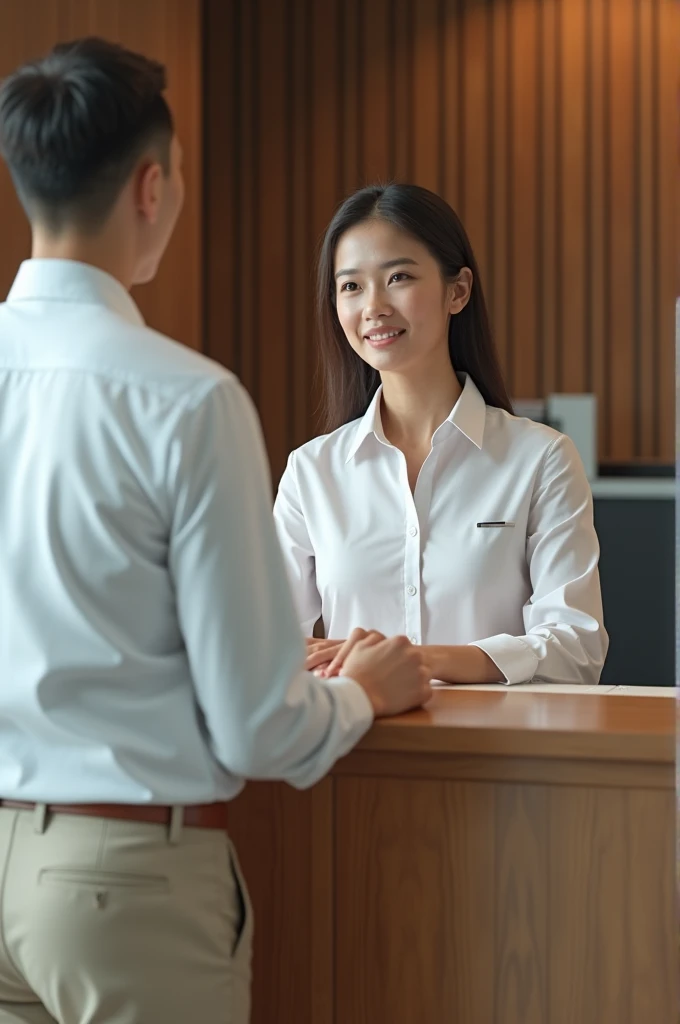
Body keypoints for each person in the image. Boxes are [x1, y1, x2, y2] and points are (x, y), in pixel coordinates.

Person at [0, 40, 432, 1024]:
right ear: (151, 185)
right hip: (125, 890)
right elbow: (257, 725)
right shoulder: (184, 400)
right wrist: (361, 695)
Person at [274, 183, 608, 686]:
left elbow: (576, 648)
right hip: (357, 751)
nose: (374, 307)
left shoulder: (541, 459)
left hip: (501, 756)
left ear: (458, 290)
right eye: (351, 286)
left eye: (399, 277)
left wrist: (417, 661)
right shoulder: (311, 472)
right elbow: (269, 648)